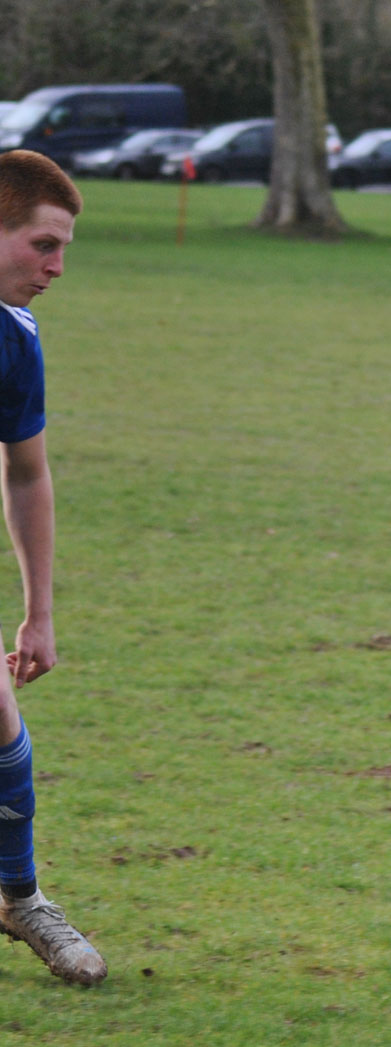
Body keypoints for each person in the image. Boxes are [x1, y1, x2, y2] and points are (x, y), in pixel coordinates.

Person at [0, 151, 104, 984]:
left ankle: (19, 898)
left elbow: (27, 472)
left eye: (63, 248)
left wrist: (40, 612)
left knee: (0, 729)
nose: (57, 267)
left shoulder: (15, 339)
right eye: (43, 245)